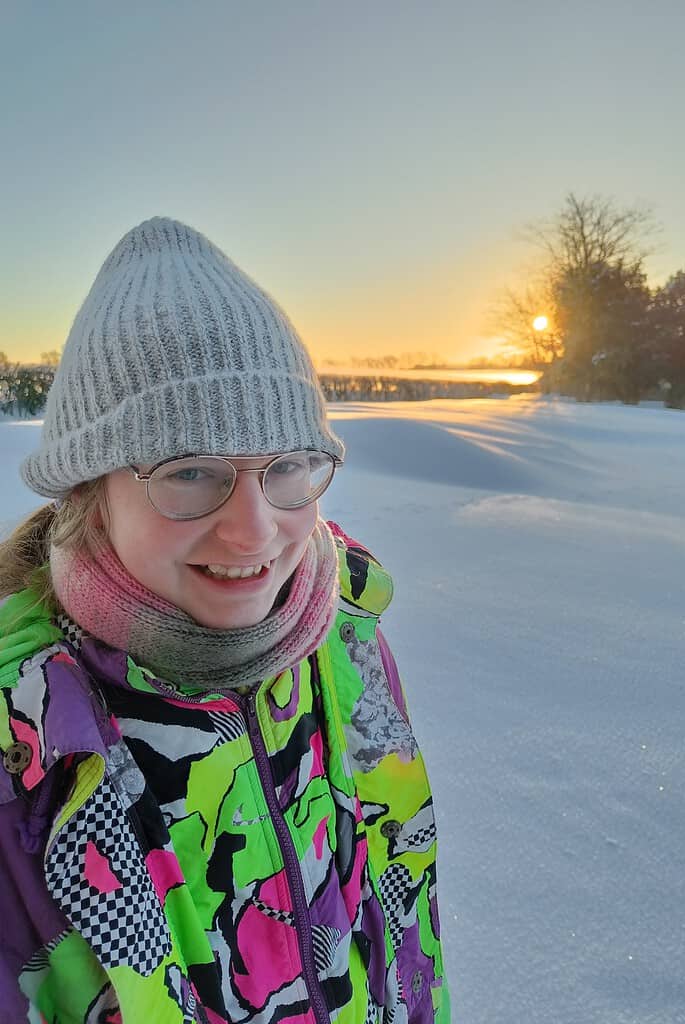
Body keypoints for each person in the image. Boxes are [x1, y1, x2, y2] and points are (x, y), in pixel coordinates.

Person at [0, 218, 448, 1023]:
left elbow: (401, 917)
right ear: (89, 490)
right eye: (191, 472)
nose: (253, 532)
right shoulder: (25, 744)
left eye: (288, 467)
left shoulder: (347, 639)